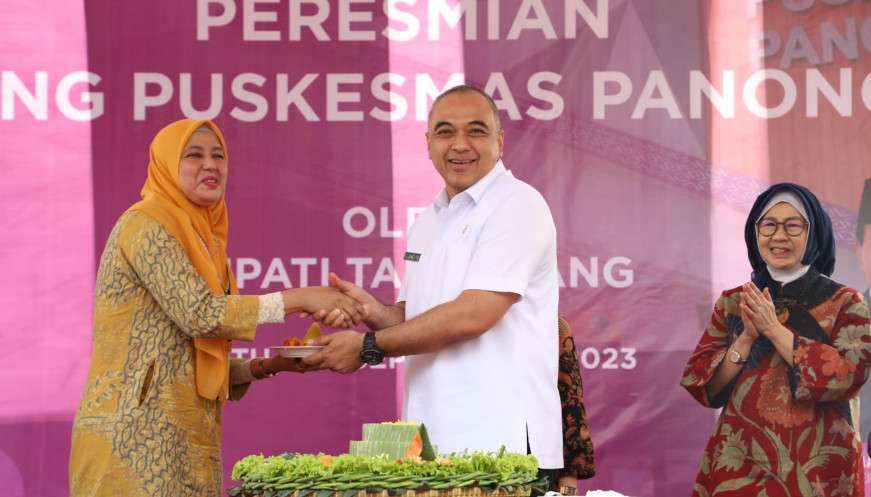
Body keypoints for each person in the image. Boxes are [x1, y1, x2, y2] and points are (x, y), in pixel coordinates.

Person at [68, 119, 362, 497]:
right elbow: (201, 315)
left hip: (184, 442)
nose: (210, 165)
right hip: (130, 440)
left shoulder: (205, 240)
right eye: (193, 155)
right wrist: (300, 298)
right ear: (166, 164)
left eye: (218, 155)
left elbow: (186, 358)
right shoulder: (146, 223)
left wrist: (267, 366)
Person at [303, 85, 564, 477]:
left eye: (476, 131)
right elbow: (415, 317)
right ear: (428, 144)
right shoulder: (429, 219)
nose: (459, 144)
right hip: (432, 446)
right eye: (445, 132)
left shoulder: (518, 204)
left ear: (500, 141)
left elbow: (472, 315)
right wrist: (371, 310)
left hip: (503, 445)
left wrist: (368, 347)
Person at [681, 183, 870, 495]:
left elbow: (848, 377)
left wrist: (774, 329)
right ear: (755, 233)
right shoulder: (734, 302)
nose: (779, 236)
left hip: (818, 468)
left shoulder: (846, 302)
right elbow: (703, 386)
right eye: (768, 225)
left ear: (813, 233)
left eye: (793, 225)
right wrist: (744, 340)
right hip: (739, 463)